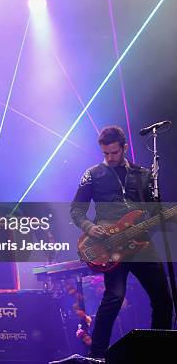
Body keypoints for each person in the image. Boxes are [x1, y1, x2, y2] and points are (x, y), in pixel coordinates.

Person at [70, 126, 173, 358]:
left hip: (141, 245)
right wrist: (90, 227)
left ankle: (159, 354)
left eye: (114, 153)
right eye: (105, 153)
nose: (109, 158)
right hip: (109, 245)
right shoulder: (92, 174)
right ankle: (96, 357)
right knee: (114, 298)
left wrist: (159, 219)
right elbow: (76, 210)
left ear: (125, 148)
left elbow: (154, 212)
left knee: (164, 300)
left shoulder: (143, 174)